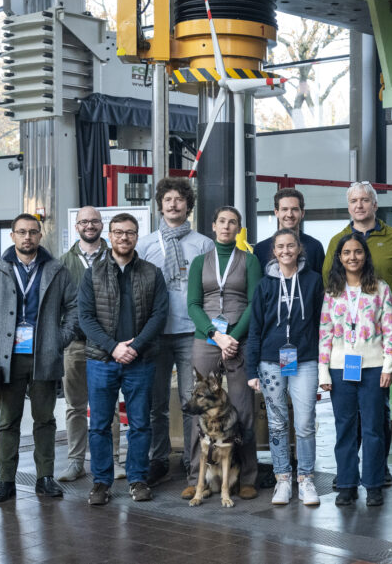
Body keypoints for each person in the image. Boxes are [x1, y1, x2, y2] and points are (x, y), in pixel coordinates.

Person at [0, 214, 78, 503]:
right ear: (12, 236)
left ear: (40, 236)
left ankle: (45, 478)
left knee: (44, 420)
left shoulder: (56, 270)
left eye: (32, 232)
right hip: (6, 360)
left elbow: (75, 309)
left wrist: (58, 340)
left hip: (43, 356)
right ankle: (6, 481)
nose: (27, 237)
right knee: (8, 421)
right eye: (21, 232)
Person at [323, 181, 392, 485]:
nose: (359, 205)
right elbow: (329, 288)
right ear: (349, 206)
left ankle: (378, 469)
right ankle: (348, 472)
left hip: (381, 338)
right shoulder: (338, 239)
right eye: (354, 201)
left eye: (365, 200)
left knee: (378, 409)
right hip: (345, 345)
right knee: (348, 413)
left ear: (374, 204)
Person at [78, 213, 169, 506]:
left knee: (141, 424)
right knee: (100, 425)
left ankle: (138, 479)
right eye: (118, 232)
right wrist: (113, 347)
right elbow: (86, 318)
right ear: (110, 234)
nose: (123, 238)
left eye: (129, 233)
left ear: (137, 235)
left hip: (140, 361)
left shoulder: (152, 272)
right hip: (102, 361)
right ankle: (101, 482)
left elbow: (159, 315)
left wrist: (136, 347)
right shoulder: (92, 274)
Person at [137, 177, 214, 486]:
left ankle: (192, 460)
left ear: (188, 205)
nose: (173, 204)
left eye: (179, 199)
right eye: (167, 199)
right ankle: (158, 458)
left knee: (190, 399)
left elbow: (210, 290)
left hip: (190, 333)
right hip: (154, 334)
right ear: (160, 205)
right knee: (155, 403)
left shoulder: (203, 244)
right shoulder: (144, 244)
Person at [184, 206, 262, 501]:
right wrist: (216, 335)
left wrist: (233, 338)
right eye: (222, 221)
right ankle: (197, 478)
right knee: (198, 408)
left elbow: (255, 304)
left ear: (239, 229)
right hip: (207, 338)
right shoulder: (199, 262)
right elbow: (193, 305)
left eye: (233, 223)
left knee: (243, 408)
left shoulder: (250, 261)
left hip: (239, 338)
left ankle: (247, 476)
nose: (227, 227)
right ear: (213, 226)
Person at [319, 233, 392, 507]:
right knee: (345, 429)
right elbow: (325, 332)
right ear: (339, 258)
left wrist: (389, 365)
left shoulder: (381, 288)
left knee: (374, 428)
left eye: (358, 252)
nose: (352, 257)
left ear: (365, 255)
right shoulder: (332, 292)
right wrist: (324, 372)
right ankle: (347, 484)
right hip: (341, 369)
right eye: (347, 253)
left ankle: (374, 484)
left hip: (374, 367)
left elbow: (389, 329)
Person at [246, 228, 325, 506]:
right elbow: (255, 329)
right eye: (280, 246)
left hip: (304, 360)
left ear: (299, 249)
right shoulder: (264, 285)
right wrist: (251, 370)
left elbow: (321, 324)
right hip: (270, 361)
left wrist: (323, 362)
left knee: (304, 423)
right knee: (277, 423)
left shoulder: (314, 281)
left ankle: (305, 479)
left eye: (291, 246)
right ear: (274, 251)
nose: (286, 251)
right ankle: (282, 479)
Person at [57, 206, 122, 483]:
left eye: (94, 221)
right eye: (84, 221)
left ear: (101, 224)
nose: (89, 225)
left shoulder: (116, 257)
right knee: (74, 405)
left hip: (108, 344)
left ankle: (114, 459)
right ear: (77, 226)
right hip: (75, 344)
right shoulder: (62, 262)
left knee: (107, 404)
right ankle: (75, 461)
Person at [255, 188, 326, 273]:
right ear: (276, 212)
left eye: (295, 209)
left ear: (302, 213)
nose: (289, 214)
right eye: (284, 209)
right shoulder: (260, 249)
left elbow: (321, 283)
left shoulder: (315, 246)